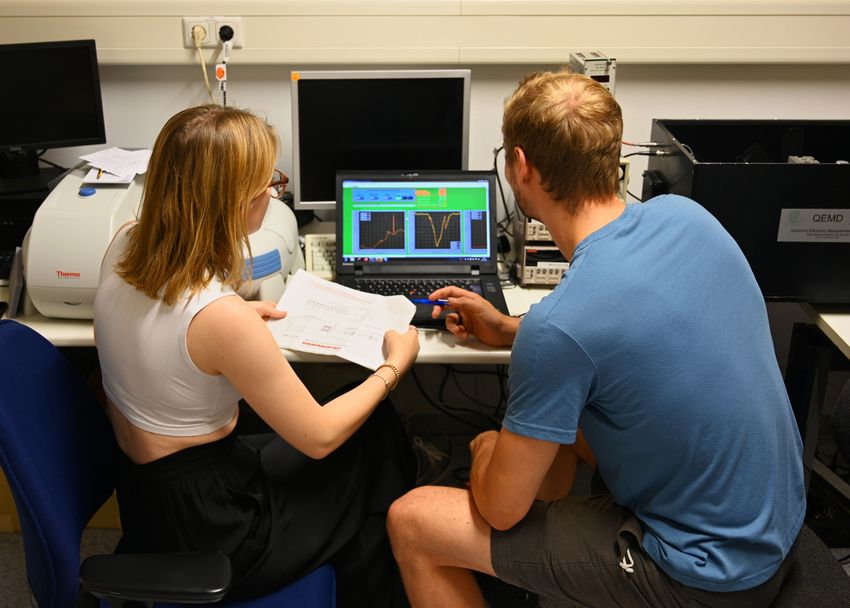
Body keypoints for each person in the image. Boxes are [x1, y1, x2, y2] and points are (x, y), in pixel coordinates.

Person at [386, 71, 806, 608]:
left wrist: (487, 448)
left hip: (707, 574)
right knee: (573, 425)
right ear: (616, 153)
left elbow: (501, 511)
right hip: (774, 525)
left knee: (415, 521)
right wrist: (510, 330)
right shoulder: (689, 218)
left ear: (521, 166)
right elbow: (629, 338)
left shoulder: (562, 326)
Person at [93, 104, 420, 606]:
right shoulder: (217, 316)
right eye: (267, 182)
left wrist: (238, 325)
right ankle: (380, 579)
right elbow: (318, 438)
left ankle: (367, 571)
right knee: (377, 447)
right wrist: (394, 365)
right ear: (234, 201)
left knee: (373, 435)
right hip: (214, 530)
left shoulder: (125, 244)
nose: (273, 191)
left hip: (148, 496)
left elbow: (171, 341)